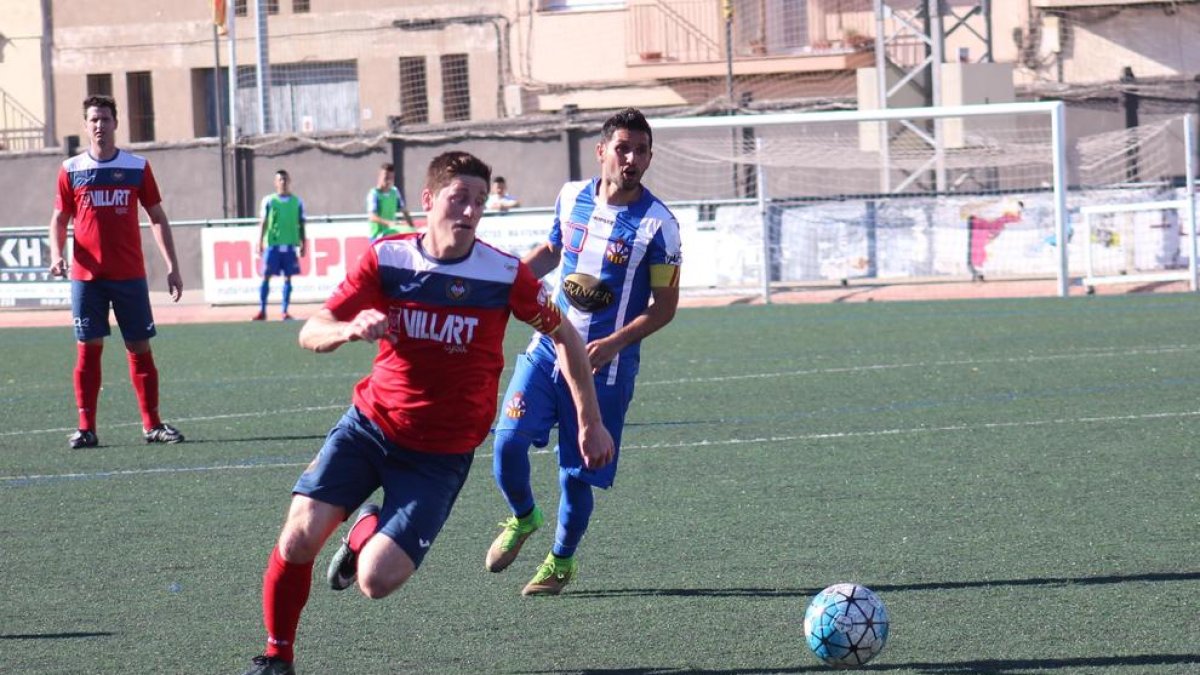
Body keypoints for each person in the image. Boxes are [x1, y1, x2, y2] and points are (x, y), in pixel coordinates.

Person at [239, 151, 614, 675]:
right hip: (369, 428)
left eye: (479, 201)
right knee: (299, 535)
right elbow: (312, 329)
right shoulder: (387, 258)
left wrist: (589, 421)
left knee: (375, 581)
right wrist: (347, 329)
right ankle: (277, 656)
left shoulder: (504, 273)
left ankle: (364, 530)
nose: (470, 210)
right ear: (428, 199)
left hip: (439, 456)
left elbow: (567, 336)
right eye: (459, 198)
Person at [485, 107, 682, 595]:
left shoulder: (659, 225)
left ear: (650, 157)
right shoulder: (571, 196)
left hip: (605, 370)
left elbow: (665, 307)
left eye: (641, 151)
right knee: (507, 443)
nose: (631, 159)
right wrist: (504, 282)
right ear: (601, 151)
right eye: (623, 148)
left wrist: (613, 343)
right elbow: (553, 252)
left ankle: (561, 560)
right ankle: (523, 517)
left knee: (577, 475)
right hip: (547, 348)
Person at [47, 94, 185, 450]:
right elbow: (60, 218)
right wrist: (56, 254)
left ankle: (152, 425)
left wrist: (172, 266)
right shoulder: (71, 169)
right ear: (86, 125)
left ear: (115, 123)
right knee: (88, 350)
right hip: (87, 278)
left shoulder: (137, 166)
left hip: (129, 275)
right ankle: (86, 428)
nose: (99, 125)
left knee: (139, 347)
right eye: (93, 119)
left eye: (105, 119)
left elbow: (157, 217)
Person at [253, 170, 306, 321]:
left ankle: (284, 311)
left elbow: (301, 223)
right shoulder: (269, 200)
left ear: (289, 181)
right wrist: (259, 241)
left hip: (289, 245)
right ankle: (262, 310)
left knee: (288, 278)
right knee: (266, 276)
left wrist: (303, 242)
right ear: (275, 183)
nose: (283, 182)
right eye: (280, 179)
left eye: (285, 179)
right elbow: (263, 221)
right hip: (273, 245)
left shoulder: (297, 202)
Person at [366, 161, 416, 241]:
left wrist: (413, 228)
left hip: (390, 233)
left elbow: (404, 211)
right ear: (379, 177)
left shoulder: (395, 192)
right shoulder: (374, 194)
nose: (388, 181)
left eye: (391, 178)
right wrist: (389, 223)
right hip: (377, 236)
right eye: (386, 178)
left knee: (407, 236)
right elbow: (372, 217)